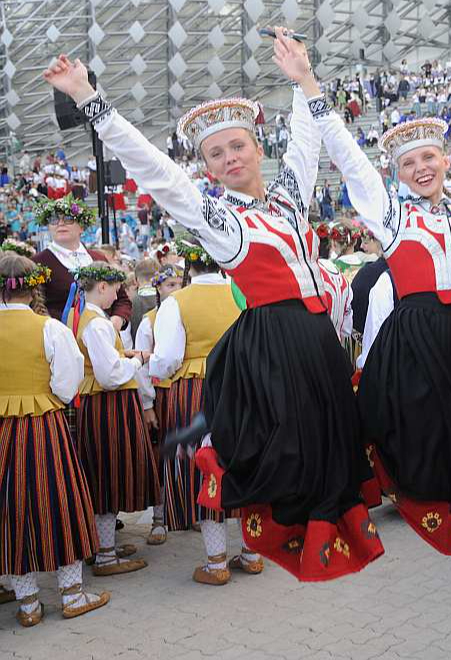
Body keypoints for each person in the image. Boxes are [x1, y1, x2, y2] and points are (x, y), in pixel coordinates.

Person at [41, 29, 383, 582]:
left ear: (257, 148)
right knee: (294, 459)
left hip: (318, 340)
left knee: (335, 449)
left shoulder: (289, 199)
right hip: (280, 343)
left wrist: (303, 80)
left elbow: (306, 146)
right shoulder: (222, 221)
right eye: (215, 154)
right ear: (206, 166)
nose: (229, 158)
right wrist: (88, 98)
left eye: (237, 146)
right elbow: (155, 171)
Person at [314, 15, 451, 555]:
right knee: (422, 435)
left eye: (428, 157)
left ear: (446, 159)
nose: (421, 168)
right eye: (409, 162)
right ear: (397, 173)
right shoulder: (393, 217)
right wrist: (309, 89)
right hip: (419, 340)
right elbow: (351, 161)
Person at [0, 253, 110, 627]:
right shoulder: (50, 329)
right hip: (44, 425)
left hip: (2, 431)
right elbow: (67, 384)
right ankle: (72, 594)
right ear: (34, 287)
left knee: (10, 511)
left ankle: (28, 604)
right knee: (60, 503)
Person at [148, 240, 254, 585]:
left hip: (197, 390)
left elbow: (166, 359)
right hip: (241, 386)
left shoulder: (177, 302)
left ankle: (216, 561)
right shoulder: (241, 294)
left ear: (189, 266)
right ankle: (252, 554)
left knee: (206, 469)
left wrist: (151, 367)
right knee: (245, 463)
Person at [69, 264, 160, 578]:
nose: (118, 297)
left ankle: (102, 547)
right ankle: (106, 556)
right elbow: (109, 376)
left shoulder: (87, 317)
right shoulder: (97, 324)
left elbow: (103, 362)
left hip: (99, 403)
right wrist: (137, 360)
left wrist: (124, 356)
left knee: (104, 472)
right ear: (102, 287)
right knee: (108, 473)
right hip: (107, 405)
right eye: (116, 290)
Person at [133, 262, 184, 546]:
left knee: (189, 452)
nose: (175, 290)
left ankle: (188, 511)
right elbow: (141, 365)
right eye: (169, 285)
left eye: (179, 284)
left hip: (185, 391)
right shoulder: (149, 320)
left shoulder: (188, 313)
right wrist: (147, 404)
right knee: (161, 455)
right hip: (162, 395)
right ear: (158, 288)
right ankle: (159, 518)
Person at [31, 197, 132, 326]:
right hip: (62, 335)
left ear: (81, 227)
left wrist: (117, 320)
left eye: (68, 218)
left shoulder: (98, 257)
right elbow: (34, 306)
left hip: (104, 332)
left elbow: (122, 299)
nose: (60, 223)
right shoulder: (38, 262)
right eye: (54, 219)